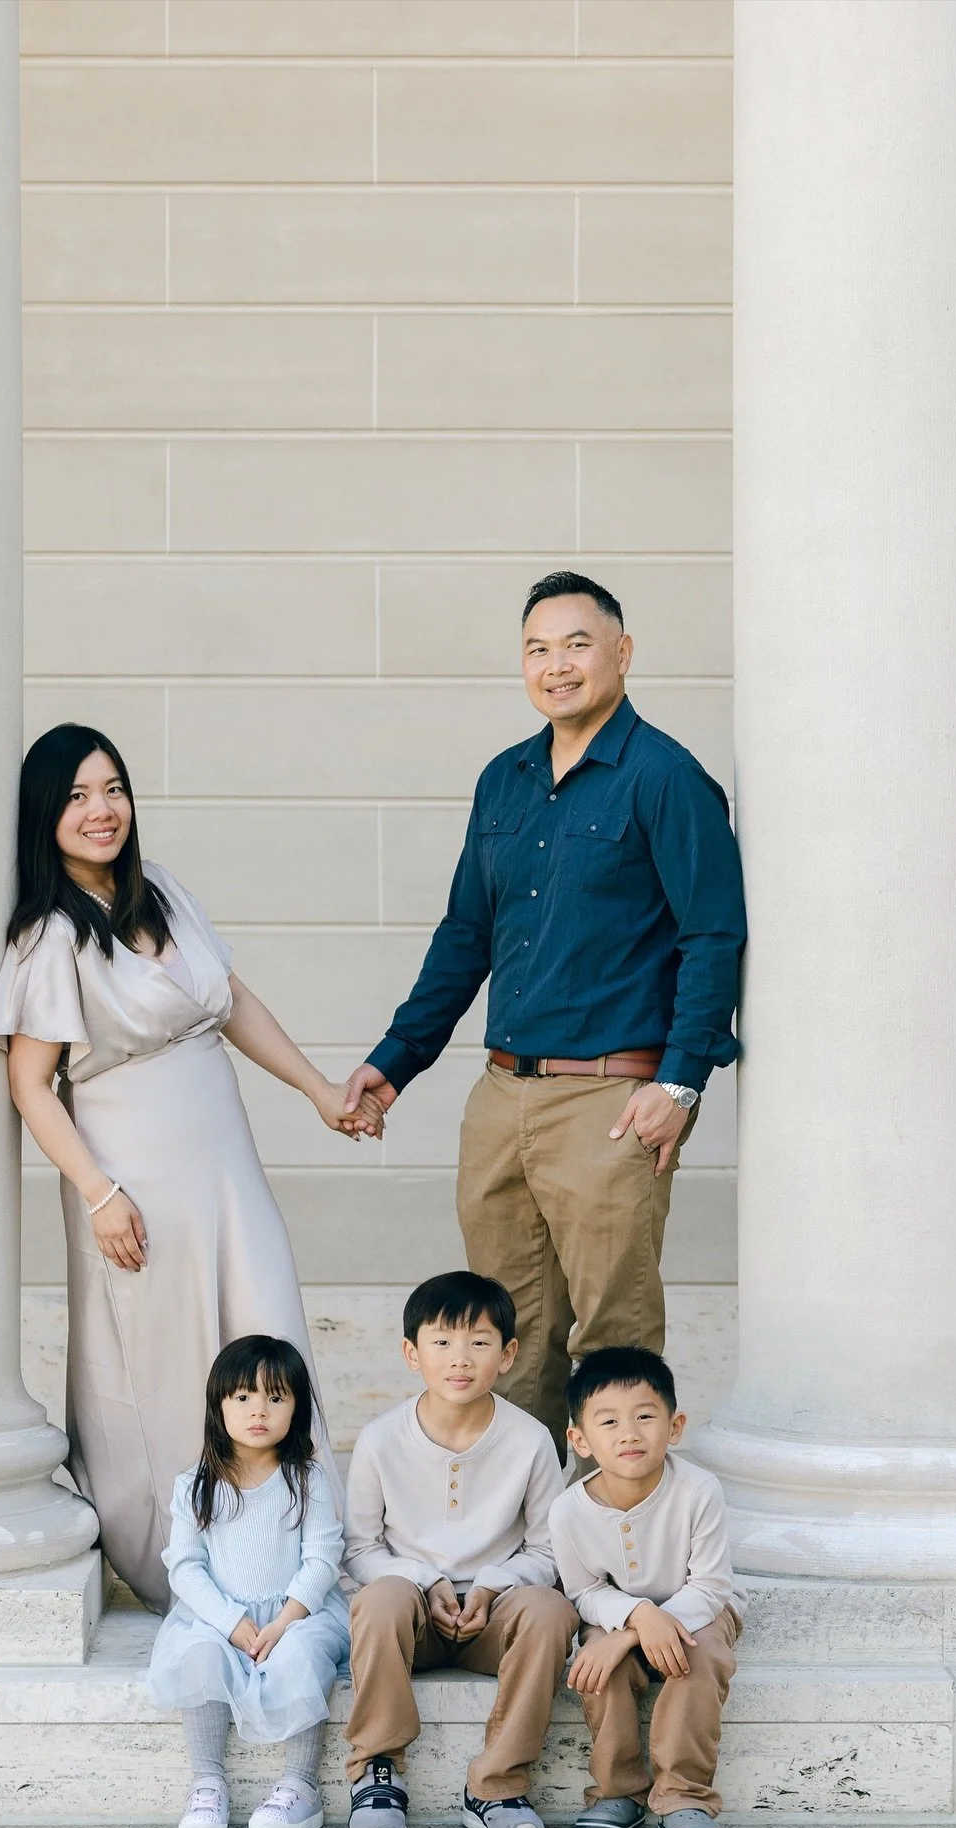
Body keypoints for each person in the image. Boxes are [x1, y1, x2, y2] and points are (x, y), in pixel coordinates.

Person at [344, 570, 746, 1461]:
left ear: (622, 653)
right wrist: (395, 1060)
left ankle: (617, 1551)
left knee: (613, 1339)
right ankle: (520, 1549)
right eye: (537, 648)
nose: (556, 665)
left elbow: (714, 939)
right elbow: (465, 936)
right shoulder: (505, 780)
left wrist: (680, 1083)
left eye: (576, 644)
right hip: (501, 1100)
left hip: (612, 1103)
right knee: (500, 1337)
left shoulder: (667, 780)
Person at [0, 723, 383, 1611]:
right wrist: (101, 1193)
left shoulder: (160, 890)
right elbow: (30, 1086)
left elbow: (232, 1001)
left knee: (267, 1328)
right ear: (46, 815)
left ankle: (299, 1549)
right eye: (79, 796)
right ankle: (188, 1564)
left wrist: (319, 1090)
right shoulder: (50, 937)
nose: (102, 810)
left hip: (225, 1168)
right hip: (137, 1180)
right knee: (166, 1369)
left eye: (114, 789)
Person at [341, 1272, 575, 1828]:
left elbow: (549, 1551)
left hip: (492, 1621)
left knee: (549, 1611)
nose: (460, 1359)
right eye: (441, 1342)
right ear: (411, 1353)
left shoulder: (530, 1439)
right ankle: (377, 1774)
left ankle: (496, 1784)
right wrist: (427, 1580)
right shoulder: (379, 1439)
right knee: (380, 1597)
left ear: (509, 1353)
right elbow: (360, 1549)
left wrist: (493, 1586)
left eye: (479, 1341)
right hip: (411, 1617)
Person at [146, 1336, 349, 1828]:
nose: (259, 1410)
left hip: (298, 1612)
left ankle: (300, 1786)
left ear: (297, 1409)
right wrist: (232, 1623)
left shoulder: (307, 1480)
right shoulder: (197, 1483)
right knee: (197, 1654)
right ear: (219, 1405)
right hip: (220, 1614)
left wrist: (284, 1623)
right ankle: (208, 1783)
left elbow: (322, 1559)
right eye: (242, 1397)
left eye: (276, 1398)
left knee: (302, 1655)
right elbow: (186, 1566)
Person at [549, 1346, 743, 1828]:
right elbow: (584, 1591)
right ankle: (619, 1790)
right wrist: (631, 1622)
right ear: (580, 1439)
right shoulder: (568, 1511)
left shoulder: (700, 1490)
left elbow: (711, 1586)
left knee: (696, 1658)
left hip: (698, 1612)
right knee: (597, 1666)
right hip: (613, 1614)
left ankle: (684, 1794)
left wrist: (643, 1628)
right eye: (608, 1421)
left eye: (645, 1417)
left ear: (674, 1427)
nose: (629, 1433)